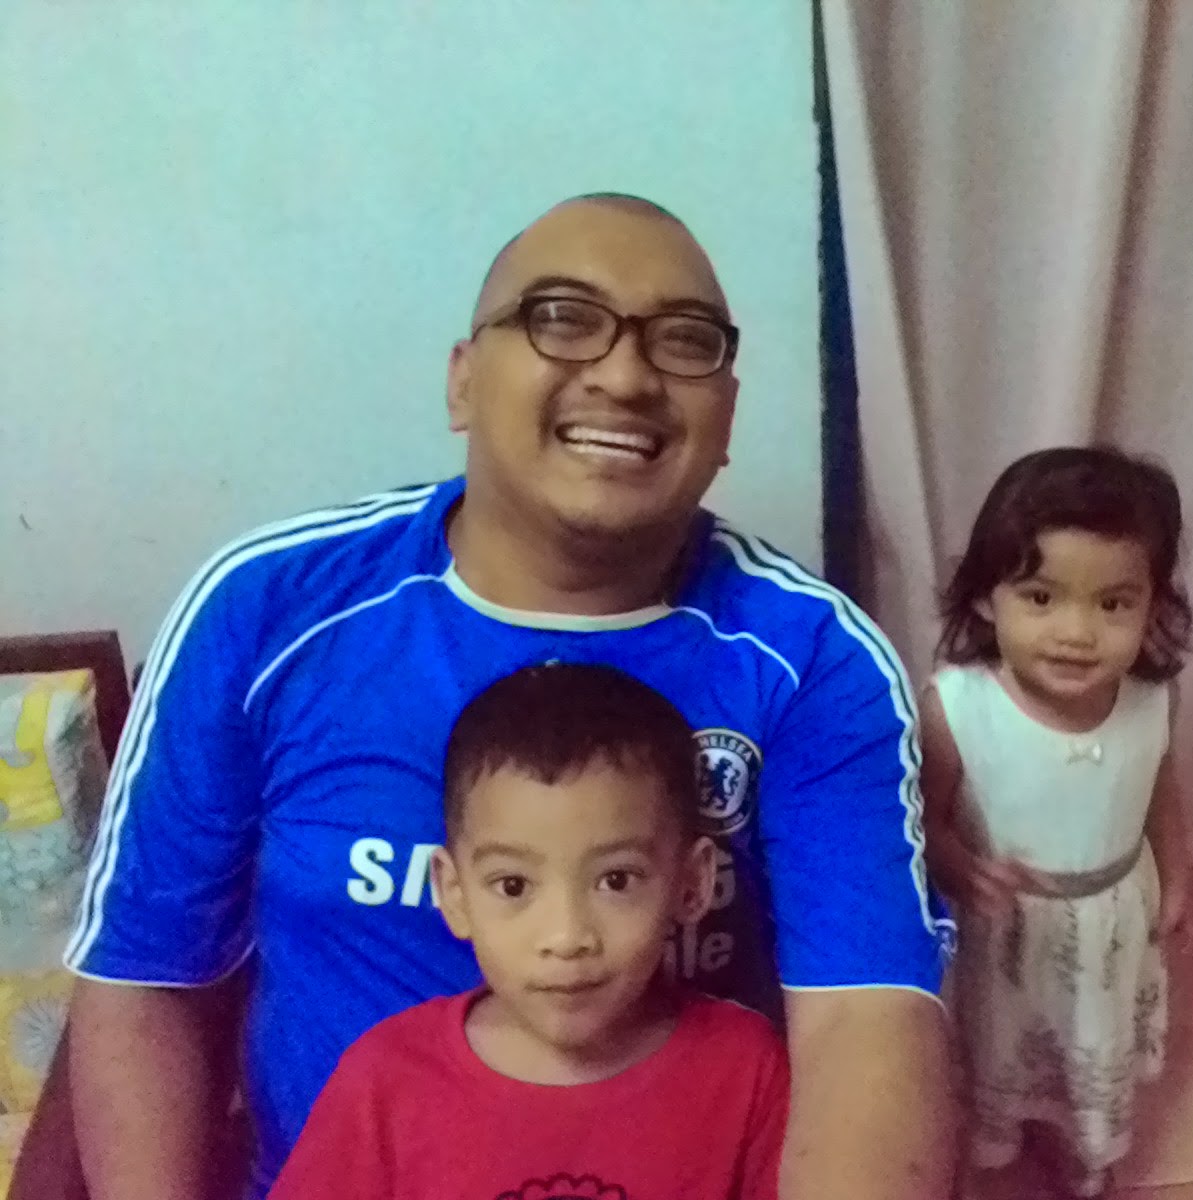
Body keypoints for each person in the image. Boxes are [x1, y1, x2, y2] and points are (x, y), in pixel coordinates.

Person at [64, 193, 955, 1200]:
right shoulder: (269, 608)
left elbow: (866, 1021)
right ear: (463, 379)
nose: (626, 376)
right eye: (562, 318)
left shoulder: (813, 659)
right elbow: (148, 977)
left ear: (727, 417)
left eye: (684, 340)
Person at [267, 663, 788, 1200]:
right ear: (454, 893)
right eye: (513, 886)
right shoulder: (384, 1079)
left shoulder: (745, 1070)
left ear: (692, 883)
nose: (566, 938)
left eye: (616, 880)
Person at [919, 446, 1193, 1199]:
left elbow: (1160, 789)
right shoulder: (958, 706)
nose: (1077, 632)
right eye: (1042, 597)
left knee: (1091, 1046)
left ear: (1153, 607)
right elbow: (924, 820)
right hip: (1005, 936)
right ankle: (990, 1144)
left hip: (1110, 928)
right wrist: (959, 865)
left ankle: (1087, 1150)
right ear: (986, 597)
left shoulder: (1152, 702)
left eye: (1113, 604)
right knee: (999, 1047)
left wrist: (1177, 879)